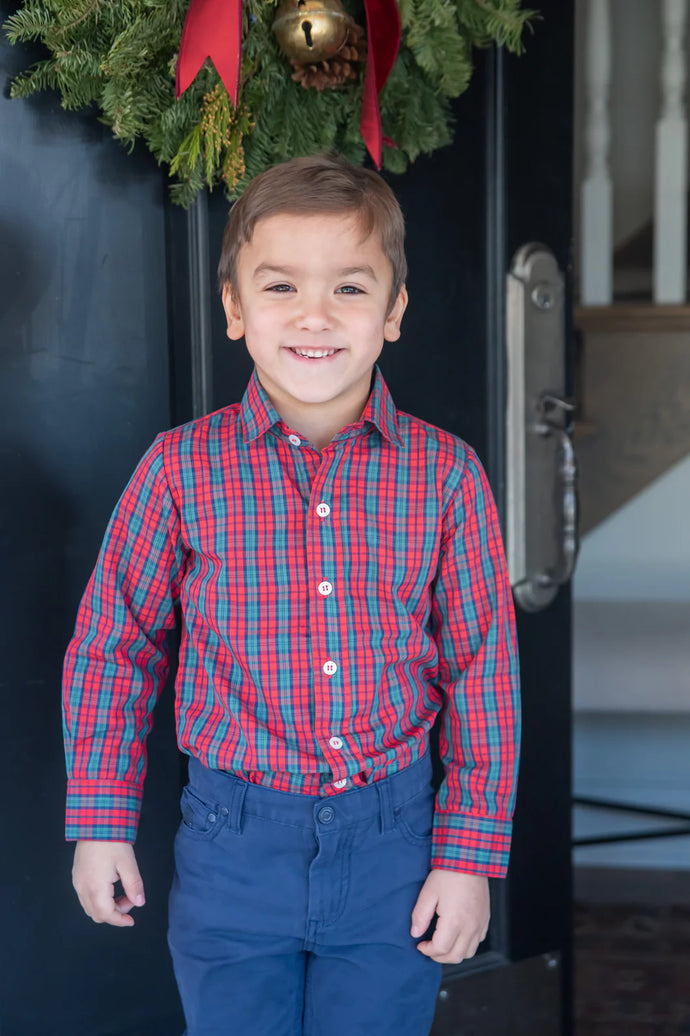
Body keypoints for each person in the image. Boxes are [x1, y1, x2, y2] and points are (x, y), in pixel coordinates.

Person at [64, 152, 521, 1036]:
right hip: (232, 841)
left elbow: (483, 675)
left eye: (350, 288)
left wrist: (466, 856)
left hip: (395, 840)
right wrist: (101, 819)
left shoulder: (447, 476)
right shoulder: (178, 470)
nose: (315, 315)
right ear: (235, 308)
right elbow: (112, 646)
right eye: (280, 287)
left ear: (393, 312)